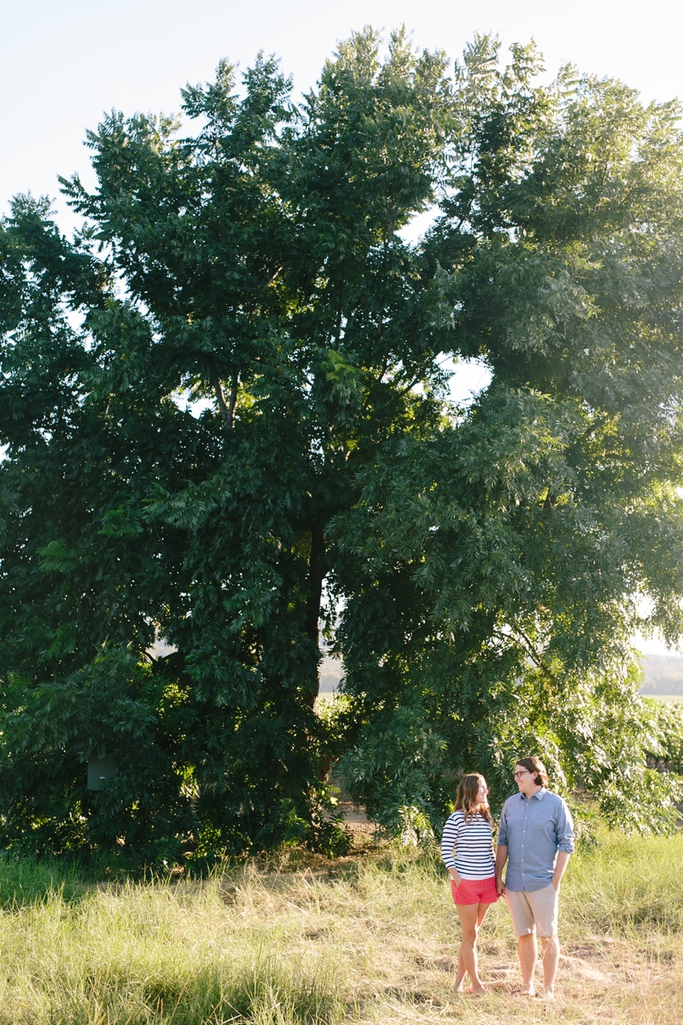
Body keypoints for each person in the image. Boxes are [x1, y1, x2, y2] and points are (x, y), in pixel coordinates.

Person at [495, 756, 575, 1000]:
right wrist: (499, 876)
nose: (516, 778)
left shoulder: (556, 804)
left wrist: (556, 880)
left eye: (521, 773)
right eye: (516, 774)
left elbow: (567, 843)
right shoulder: (510, 804)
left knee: (548, 935)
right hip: (515, 883)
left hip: (543, 882)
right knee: (524, 935)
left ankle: (548, 990)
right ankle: (527, 986)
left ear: (535, 774)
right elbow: (503, 841)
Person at [441, 773, 499, 995]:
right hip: (466, 884)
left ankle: (457, 983)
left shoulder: (486, 818)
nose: (486, 791)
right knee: (471, 935)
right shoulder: (455, 819)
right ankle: (476, 985)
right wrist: (459, 879)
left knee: (470, 935)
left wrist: (495, 879)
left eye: (486, 787)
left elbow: (490, 851)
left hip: (486, 884)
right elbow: (447, 852)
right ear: (470, 791)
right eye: (482, 788)